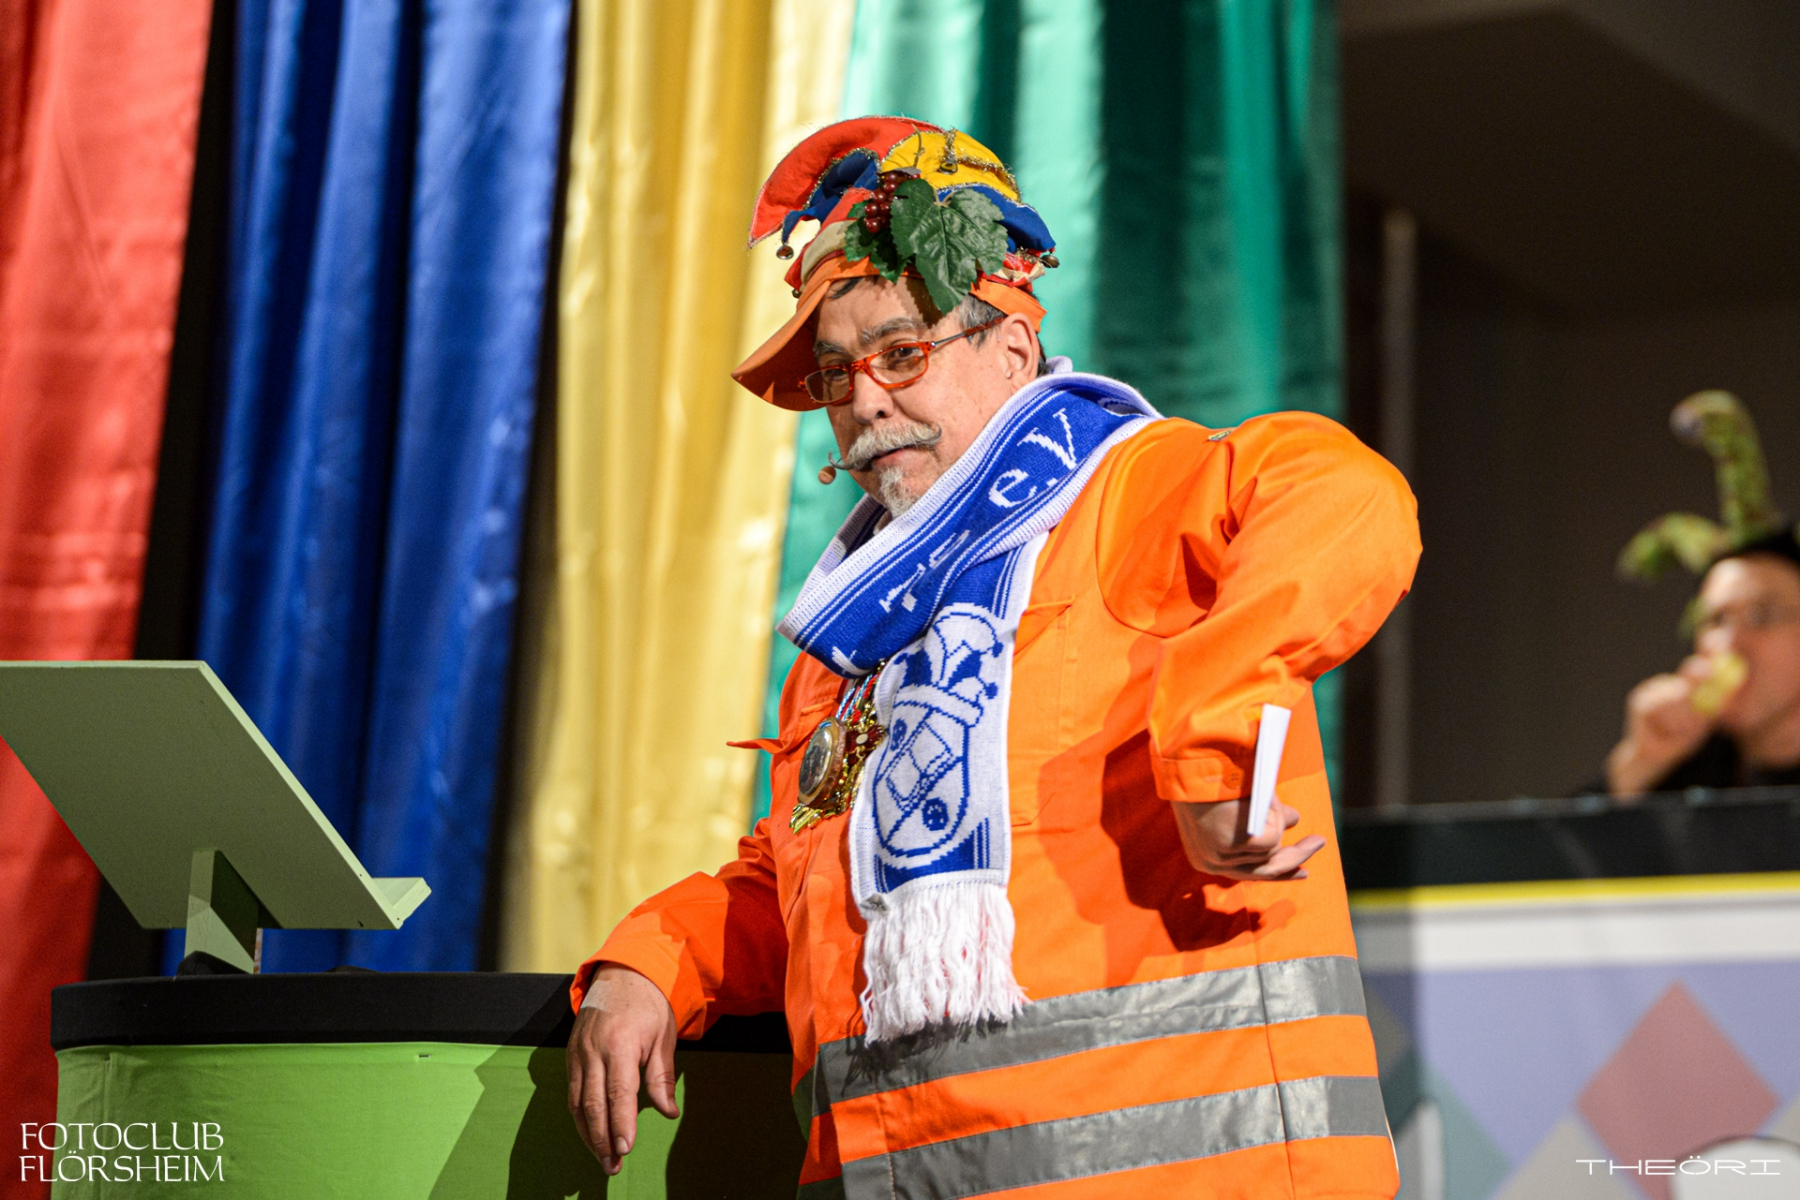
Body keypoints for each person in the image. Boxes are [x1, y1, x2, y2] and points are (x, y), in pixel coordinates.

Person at [564, 116, 1420, 1199]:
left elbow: (1348, 497)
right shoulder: (845, 647)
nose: (866, 400)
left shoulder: (1129, 492)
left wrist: (1215, 719)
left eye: (902, 354)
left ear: (1013, 352)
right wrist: (654, 961)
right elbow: (805, 893)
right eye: (836, 375)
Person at [1606, 528, 1800, 797]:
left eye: (1762, 616)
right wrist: (1641, 762)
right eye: (1716, 619)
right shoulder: (1691, 764)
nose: (1730, 642)